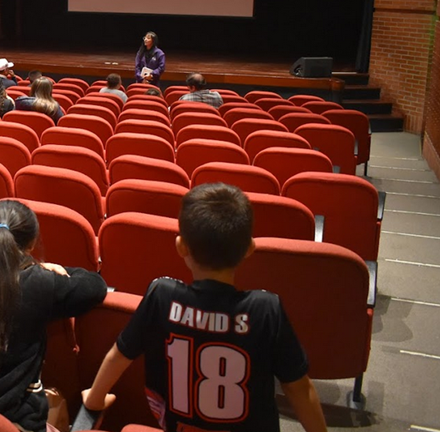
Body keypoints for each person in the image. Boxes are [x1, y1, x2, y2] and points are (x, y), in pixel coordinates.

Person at [81, 183, 328, 432]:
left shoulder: (161, 295)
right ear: (249, 250)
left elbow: (120, 355)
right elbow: (298, 389)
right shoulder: (266, 310)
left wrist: (95, 398)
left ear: (181, 246)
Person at [0, 200, 108, 432]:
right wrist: (42, 267)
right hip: (8, 420)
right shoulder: (39, 283)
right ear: (32, 243)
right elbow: (95, 286)